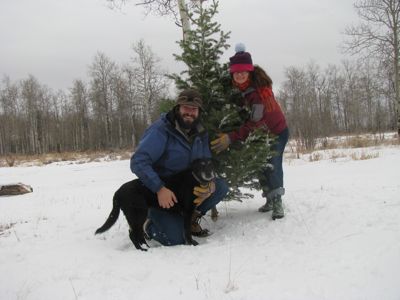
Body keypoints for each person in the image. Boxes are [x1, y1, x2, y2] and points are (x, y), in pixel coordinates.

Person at [131, 88, 228, 246]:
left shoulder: (200, 132)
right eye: (185, 108)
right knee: (177, 239)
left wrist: (210, 183)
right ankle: (148, 224)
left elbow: (206, 161)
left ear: (199, 112)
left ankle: (190, 219)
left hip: (186, 190)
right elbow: (138, 161)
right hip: (161, 195)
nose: (189, 112)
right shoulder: (161, 130)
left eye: (193, 109)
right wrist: (159, 188)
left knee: (220, 187)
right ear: (178, 108)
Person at [211, 43, 289, 220]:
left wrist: (231, 137)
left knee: (273, 164)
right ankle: (269, 199)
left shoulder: (258, 94)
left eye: (243, 72)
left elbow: (255, 122)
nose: (239, 75)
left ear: (249, 72)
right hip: (262, 134)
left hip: (276, 132)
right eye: (236, 72)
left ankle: (277, 201)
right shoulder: (242, 89)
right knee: (261, 165)